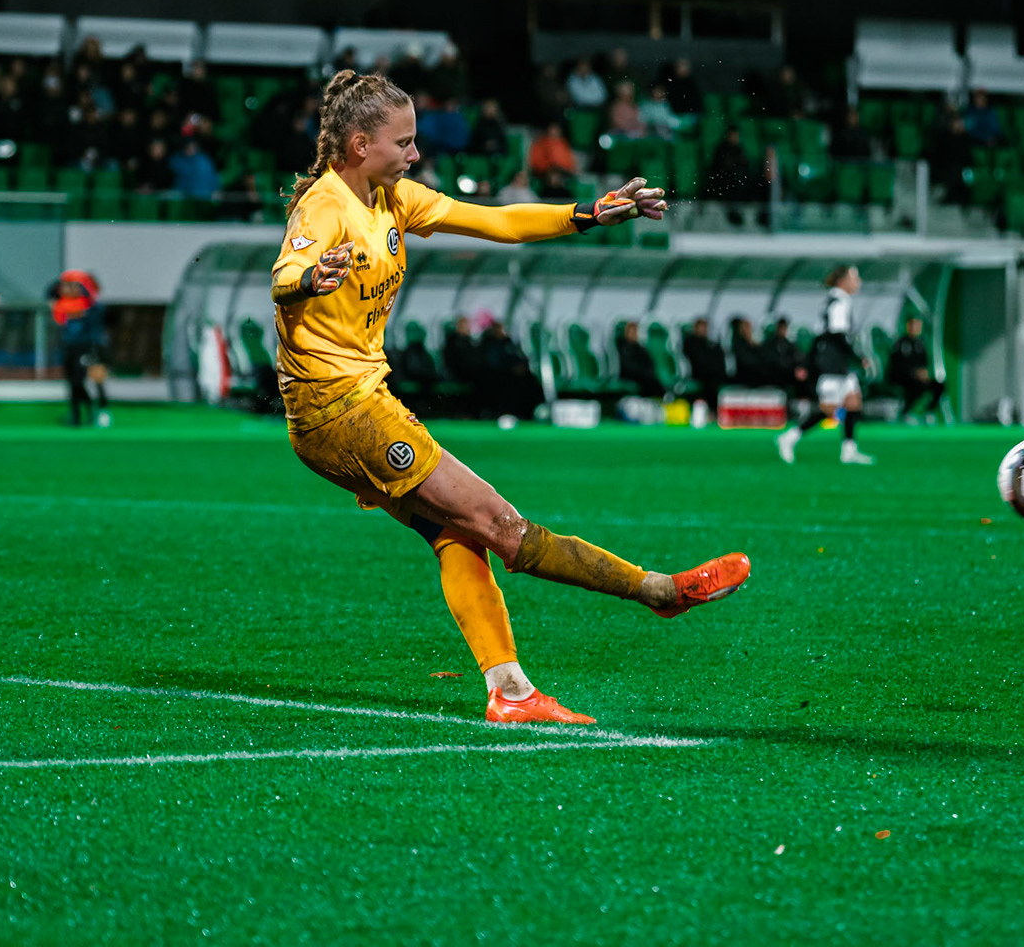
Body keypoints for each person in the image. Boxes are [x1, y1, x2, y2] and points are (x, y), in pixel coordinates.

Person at [269, 69, 750, 724]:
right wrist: (309, 280)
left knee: (459, 537)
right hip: (342, 414)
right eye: (403, 143)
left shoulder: (391, 199)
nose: (416, 153)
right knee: (502, 527)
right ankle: (658, 591)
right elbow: (286, 275)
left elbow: (498, 221)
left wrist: (587, 213)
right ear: (359, 146)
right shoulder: (326, 207)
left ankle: (512, 693)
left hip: (354, 408)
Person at [775, 265, 876, 466]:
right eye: (854, 278)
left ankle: (849, 451)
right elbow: (837, 335)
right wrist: (858, 357)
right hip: (832, 364)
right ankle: (789, 437)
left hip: (839, 364)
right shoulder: (838, 303)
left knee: (853, 402)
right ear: (842, 281)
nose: (858, 282)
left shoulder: (838, 301)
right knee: (828, 409)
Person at [51, 269, 110, 428]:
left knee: (92, 379)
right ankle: (77, 414)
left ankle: (100, 409)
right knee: (72, 383)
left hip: (87, 347)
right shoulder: (63, 306)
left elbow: (96, 321)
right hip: (69, 347)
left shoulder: (91, 307)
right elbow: (51, 292)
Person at [886, 317, 946, 422]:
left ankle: (929, 412)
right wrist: (914, 373)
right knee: (916, 386)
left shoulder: (920, 344)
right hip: (902, 378)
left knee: (939, 386)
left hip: (918, 378)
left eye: (918, 326)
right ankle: (907, 413)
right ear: (908, 326)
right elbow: (897, 365)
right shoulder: (900, 344)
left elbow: (924, 363)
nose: (916, 328)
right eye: (914, 325)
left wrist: (924, 373)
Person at [615, 320, 665, 399]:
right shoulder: (623, 348)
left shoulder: (640, 348)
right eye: (631, 332)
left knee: (654, 381)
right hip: (631, 376)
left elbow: (650, 363)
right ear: (626, 333)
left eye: (635, 332)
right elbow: (626, 365)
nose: (634, 334)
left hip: (643, 376)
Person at [681, 318, 727, 403]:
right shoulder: (690, 342)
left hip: (712, 374)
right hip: (700, 374)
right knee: (712, 384)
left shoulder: (708, 343)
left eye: (706, 328)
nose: (705, 330)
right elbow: (698, 360)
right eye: (702, 327)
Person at [527, 124, 579, 199]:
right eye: (552, 130)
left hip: (562, 172)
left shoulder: (563, 144)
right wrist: (550, 167)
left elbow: (570, 164)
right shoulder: (541, 143)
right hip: (543, 173)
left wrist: (560, 168)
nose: (554, 133)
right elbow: (536, 162)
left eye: (557, 131)